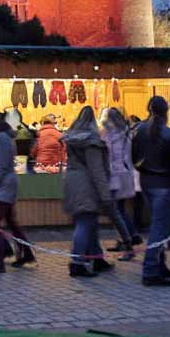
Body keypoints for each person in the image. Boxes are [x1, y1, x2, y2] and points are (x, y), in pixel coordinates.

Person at [134, 96, 170, 287]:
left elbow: (134, 157)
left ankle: (159, 265)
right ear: (167, 112)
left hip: (147, 182)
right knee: (159, 228)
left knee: (158, 225)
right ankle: (150, 270)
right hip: (167, 184)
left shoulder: (140, 131)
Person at [62, 106, 114, 277]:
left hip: (72, 182)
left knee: (89, 223)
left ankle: (96, 258)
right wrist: (106, 195)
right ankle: (77, 263)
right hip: (86, 185)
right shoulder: (91, 142)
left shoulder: (71, 139)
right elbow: (97, 171)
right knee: (85, 223)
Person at [0, 111, 34, 273]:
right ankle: (26, 253)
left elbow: (2, 165)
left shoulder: (2, 138)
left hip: (4, 185)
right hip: (5, 184)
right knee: (10, 221)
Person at [102, 108, 139, 259]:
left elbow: (109, 157)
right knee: (120, 210)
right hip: (125, 173)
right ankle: (126, 239)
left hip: (116, 175)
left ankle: (129, 242)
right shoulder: (126, 133)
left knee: (116, 212)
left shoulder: (110, 135)